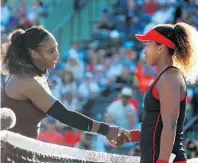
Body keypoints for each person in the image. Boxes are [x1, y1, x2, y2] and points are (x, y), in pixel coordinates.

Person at [1, 26, 131, 143]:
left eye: (56, 48)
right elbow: (66, 116)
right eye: (51, 51)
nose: (57, 54)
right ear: (33, 53)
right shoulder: (27, 81)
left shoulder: (32, 77)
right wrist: (106, 130)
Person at [111, 22, 198, 163]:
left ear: (161, 48)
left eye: (148, 45)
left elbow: (170, 126)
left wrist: (162, 161)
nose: (144, 51)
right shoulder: (166, 77)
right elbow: (158, 128)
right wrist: (131, 136)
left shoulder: (170, 78)